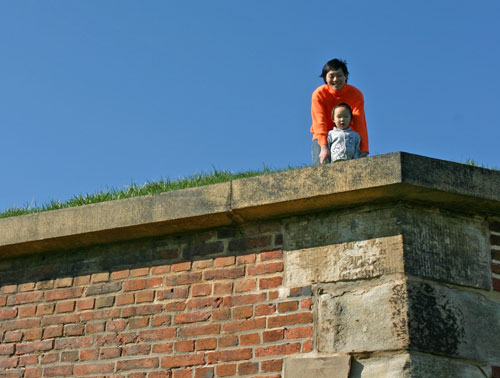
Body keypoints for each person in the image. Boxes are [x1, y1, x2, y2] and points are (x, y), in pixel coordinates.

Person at [310, 58, 368, 164]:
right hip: (323, 136)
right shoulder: (319, 94)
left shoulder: (355, 94)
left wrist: (364, 150)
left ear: (345, 76)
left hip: (349, 135)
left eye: (339, 75)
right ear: (325, 78)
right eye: (331, 76)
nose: (336, 79)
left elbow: (360, 122)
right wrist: (323, 147)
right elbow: (319, 123)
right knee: (321, 171)